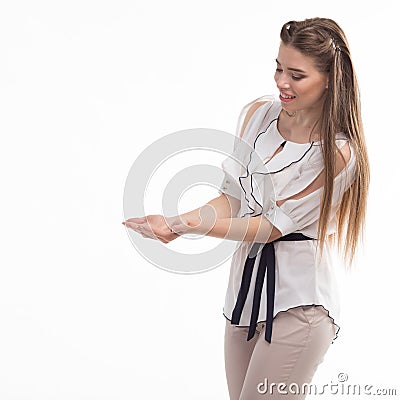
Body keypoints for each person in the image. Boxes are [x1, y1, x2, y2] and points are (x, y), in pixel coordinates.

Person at [123, 17, 370, 400]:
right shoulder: (257, 114)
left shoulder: (339, 153)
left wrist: (185, 226)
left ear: (330, 80)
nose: (281, 83)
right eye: (278, 68)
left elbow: (271, 226)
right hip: (244, 295)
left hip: (299, 305)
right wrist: (180, 221)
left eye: (296, 75)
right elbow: (235, 196)